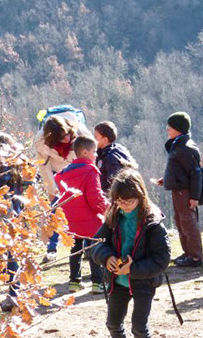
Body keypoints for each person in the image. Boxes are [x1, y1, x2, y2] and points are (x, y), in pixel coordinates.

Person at [91, 169, 171, 338]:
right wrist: (105, 257)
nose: (124, 205)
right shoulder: (113, 216)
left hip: (143, 281)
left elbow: (162, 258)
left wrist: (133, 269)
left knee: (139, 326)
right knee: (113, 322)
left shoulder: (152, 221)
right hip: (117, 281)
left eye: (129, 201)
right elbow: (97, 244)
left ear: (141, 196)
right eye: (119, 201)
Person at [34, 113, 92, 263]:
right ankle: (51, 248)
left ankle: (87, 245)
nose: (67, 139)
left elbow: (92, 152)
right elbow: (43, 166)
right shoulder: (41, 142)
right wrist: (52, 190)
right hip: (58, 173)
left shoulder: (79, 131)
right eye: (61, 138)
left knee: (84, 208)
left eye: (67, 134)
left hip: (80, 170)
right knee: (56, 209)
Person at [55, 136, 110, 293]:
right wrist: (107, 209)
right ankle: (97, 282)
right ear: (85, 152)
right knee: (94, 248)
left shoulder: (64, 173)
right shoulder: (90, 171)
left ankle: (74, 281)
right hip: (90, 218)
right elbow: (95, 196)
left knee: (75, 250)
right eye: (94, 151)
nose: (96, 155)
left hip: (71, 219)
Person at [0, 132, 31, 312]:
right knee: (13, 255)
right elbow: (28, 185)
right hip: (14, 214)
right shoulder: (17, 166)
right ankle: (14, 294)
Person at [156, 112, 203, 268]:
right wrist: (167, 180)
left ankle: (196, 256)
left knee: (188, 223)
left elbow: (196, 174)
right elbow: (179, 170)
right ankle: (187, 252)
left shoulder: (187, 148)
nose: (167, 129)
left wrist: (194, 197)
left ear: (179, 129)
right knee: (180, 222)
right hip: (178, 190)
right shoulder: (177, 144)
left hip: (185, 192)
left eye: (171, 127)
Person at [94, 121, 138, 193]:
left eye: (96, 137)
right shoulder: (100, 152)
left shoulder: (111, 157)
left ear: (105, 140)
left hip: (113, 197)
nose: (94, 139)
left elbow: (114, 182)